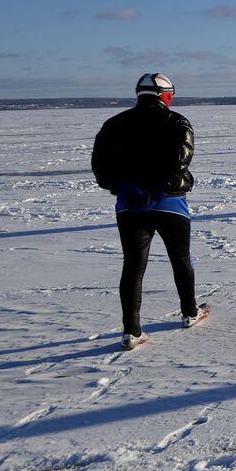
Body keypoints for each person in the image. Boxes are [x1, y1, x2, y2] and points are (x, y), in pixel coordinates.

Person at [91, 73, 208, 349]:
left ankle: (131, 332)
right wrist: (157, 188)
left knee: (132, 265)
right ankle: (190, 313)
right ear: (164, 95)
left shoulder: (112, 125)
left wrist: (122, 187)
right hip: (170, 203)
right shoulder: (177, 122)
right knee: (181, 259)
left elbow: (100, 167)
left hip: (130, 205)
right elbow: (182, 159)